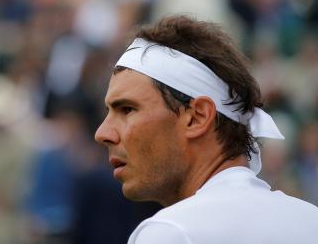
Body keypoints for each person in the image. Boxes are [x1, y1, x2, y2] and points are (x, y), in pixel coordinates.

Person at [94, 15, 318, 243]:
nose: (102, 133)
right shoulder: (312, 220)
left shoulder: (172, 232)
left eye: (127, 109)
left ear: (197, 117)